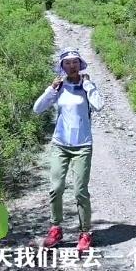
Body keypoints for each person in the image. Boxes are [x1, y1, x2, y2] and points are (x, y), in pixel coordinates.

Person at [32, 47, 105, 252]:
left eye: (75, 62)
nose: (71, 65)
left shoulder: (87, 85)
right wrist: (50, 89)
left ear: (80, 64)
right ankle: (56, 228)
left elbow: (99, 106)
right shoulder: (59, 87)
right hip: (60, 144)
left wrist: (89, 86)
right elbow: (37, 109)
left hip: (83, 145)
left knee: (80, 191)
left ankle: (85, 233)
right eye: (67, 62)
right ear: (62, 66)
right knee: (56, 188)